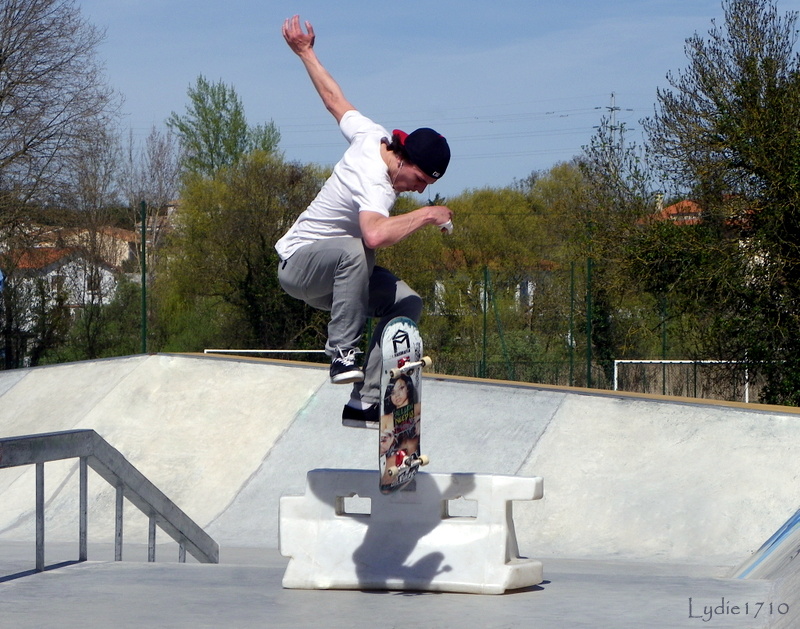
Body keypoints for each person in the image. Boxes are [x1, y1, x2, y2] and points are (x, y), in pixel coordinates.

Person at [276, 15, 453, 428]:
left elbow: (335, 100)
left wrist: (306, 53)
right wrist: (426, 216)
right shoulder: (376, 182)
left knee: (407, 303)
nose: (420, 189)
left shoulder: (370, 134)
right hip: (299, 264)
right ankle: (341, 351)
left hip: (339, 282)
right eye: (421, 180)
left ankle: (364, 402)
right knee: (360, 247)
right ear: (405, 160)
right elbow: (374, 232)